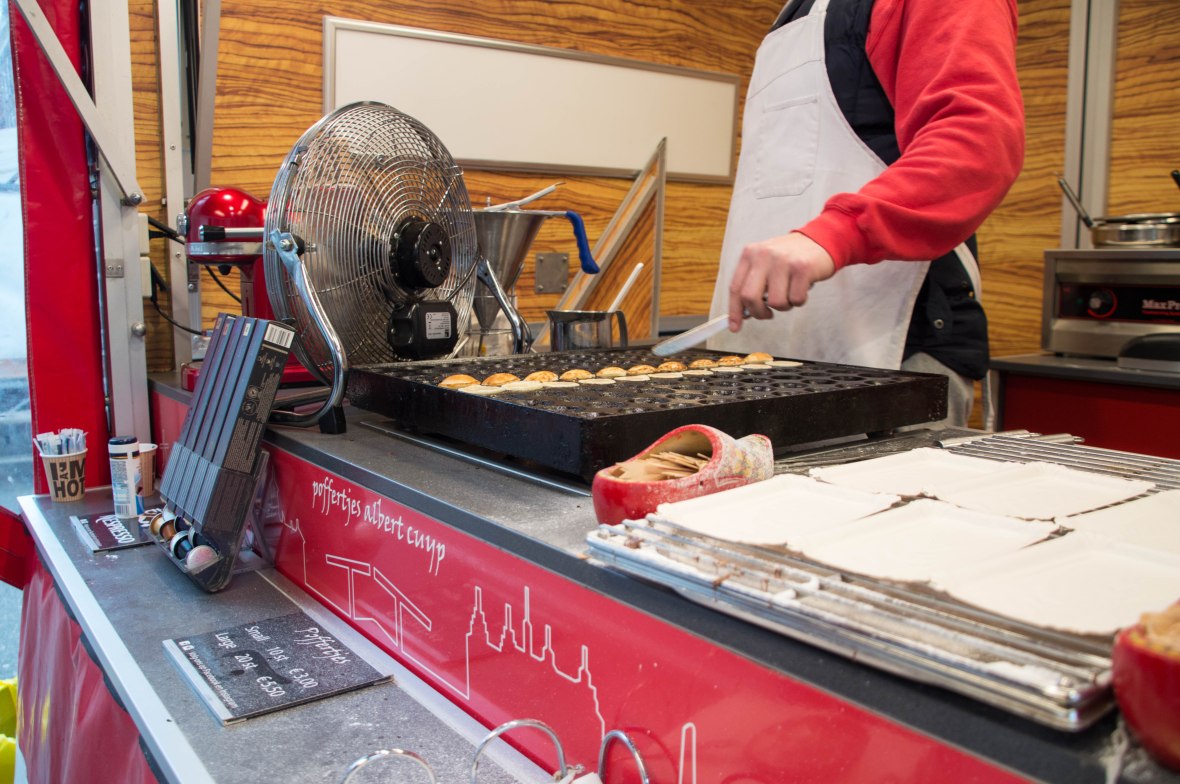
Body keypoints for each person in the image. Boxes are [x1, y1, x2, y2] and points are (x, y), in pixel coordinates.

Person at [707, 0, 1025, 427]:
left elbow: (977, 141)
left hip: (893, 356)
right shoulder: (797, 12)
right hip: (772, 353)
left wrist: (837, 232)